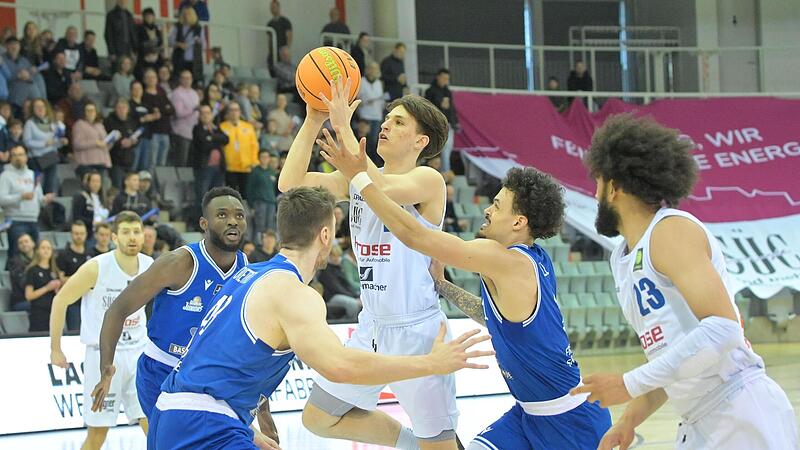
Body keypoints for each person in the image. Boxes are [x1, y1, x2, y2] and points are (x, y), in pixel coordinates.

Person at [321, 117, 615, 448]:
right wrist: (443, 286)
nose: (488, 210)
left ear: (518, 221)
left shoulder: (505, 260)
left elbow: (413, 235)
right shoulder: (535, 259)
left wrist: (359, 176)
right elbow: (490, 315)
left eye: (498, 205)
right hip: (526, 415)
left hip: (571, 420)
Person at [146, 186, 492, 449]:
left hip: (175, 415)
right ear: (325, 235)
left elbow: (212, 361)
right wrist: (432, 363)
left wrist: (246, 429)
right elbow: (340, 366)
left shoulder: (247, 275)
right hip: (205, 425)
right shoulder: (297, 295)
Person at [572, 114, 798, 449]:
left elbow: (724, 329)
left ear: (615, 186)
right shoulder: (621, 258)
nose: (595, 193)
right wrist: (628, 420)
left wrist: (628, 383)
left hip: (739, 408)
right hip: (700, 417)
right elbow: (678, 361)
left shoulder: (670, 231)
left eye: (598, 182)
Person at [281, 78, 461, 449]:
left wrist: (344, 127)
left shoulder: (428, 180)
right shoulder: (356, 179)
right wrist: (315, 119)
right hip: (371, 328)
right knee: (319, 417)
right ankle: (410, 446)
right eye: (387, 118)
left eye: (398, 123)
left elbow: (380, 189)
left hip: (418, 332)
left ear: (420, 141)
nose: (385, 125)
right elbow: (290, 183)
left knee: (440, 444)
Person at [92, 187, 250, 422]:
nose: (232, 221)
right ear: (204, 223)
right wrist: (106, 367)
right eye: (222, 215)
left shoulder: (244, 267)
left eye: (239, 215)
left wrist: (261, 405)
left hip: (211, 373)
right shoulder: (179, 263)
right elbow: (116, 311)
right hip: (162, 372)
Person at [49, 212, 151, 450]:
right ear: (115, 237)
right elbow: (60, 300)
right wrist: (55, 349)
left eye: (136, 231)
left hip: (139, 355)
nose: (132, 237)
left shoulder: (150, 266)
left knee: (153, 425)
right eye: (126, 232)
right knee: (97, 435)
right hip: (103, 358)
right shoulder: (96, 268)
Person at [0, 146, 54, 262]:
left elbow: (39, 199)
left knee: (35, 257)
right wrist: (20, 197)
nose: (18, 158)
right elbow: (1, 199)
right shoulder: (5, 176)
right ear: (11, 158)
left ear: (26, 157)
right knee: (16, 256)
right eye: (15, 155)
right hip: (15, 220)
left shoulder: (33, 175)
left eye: (21, 154)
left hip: (33, 220)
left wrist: (45, 199)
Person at [57, 220, 94, 331]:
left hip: (90, 300)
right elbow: (62, 279)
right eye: (76, 233)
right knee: (75, 331)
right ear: (71, 234)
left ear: (86, 234)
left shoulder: (90, 253)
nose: (79, 236)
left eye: (81, 233)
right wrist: (84, 280)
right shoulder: (64, 254)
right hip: (73, 301)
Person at [191, 104, 228, 213]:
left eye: (208, 113)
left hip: (219, 168)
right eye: (203, 113)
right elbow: (203, 144)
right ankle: (200, 222)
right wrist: (216, 140)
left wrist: (211, 137)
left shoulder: (216, 127)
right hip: (204, 167)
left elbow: (226, 139)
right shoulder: (197, 129)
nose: (205, 115)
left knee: (216, 197)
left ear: (212, 115)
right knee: (203, 196)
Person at [425, 69, 459, 173]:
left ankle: (446, 170)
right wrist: (441, 104)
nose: (445, 81)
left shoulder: (447, 92)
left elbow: (452, 108)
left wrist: (455, 122)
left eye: (447, 79)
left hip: (447, 124)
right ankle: (439, 171)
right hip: (436, 125)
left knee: (447, 149)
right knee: (439, 148)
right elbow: (428, 108)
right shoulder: (430, 91)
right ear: (438, 77)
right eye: (443, 78)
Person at [220, 102, 258, 196]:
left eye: (236, 110)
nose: (234, 112)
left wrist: (254, 161)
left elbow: (254, 145)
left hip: (246, 166)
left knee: (245, 194)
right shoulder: (222, 127)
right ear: (227, 112)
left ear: (240, 112)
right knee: (231, 194)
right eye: (231, 110)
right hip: (230, 166)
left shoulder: (248, 127)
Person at [24, 238, 61, 332]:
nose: (46, 250)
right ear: (37, 251)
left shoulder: (55, 270)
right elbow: (29, 295)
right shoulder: (32, 270)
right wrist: (47, 288)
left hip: (53, 311)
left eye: (49, 248)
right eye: (43, 248)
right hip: (38, 312)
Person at [317, 244, 361, 321]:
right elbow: (337, 288)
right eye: (335, 256)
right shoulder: (326, 271)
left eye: (339, 256)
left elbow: (346, 285)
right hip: (332, 296)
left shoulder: (338, 268)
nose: (337, 258)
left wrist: (355, 295)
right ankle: (350, 321)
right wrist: (353, 297)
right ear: (329, 256)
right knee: (353, 304)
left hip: (342, 294)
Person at [104, 97, 141, 188]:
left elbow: (137, 137)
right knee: (117, 186)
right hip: (115, 160)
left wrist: (133, 142)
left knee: (129, 187)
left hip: (129, 159)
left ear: (128, 109)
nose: (122, 110)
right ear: (115, 109)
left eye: (124, 108)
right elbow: (106, 139)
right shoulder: (109, 121)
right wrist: (120, 142)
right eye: (119, 108)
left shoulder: (131, 121)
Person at [142, 68, 174, 168]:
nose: (151, 79)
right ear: (144, 80)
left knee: (162, 163)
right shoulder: (144, 95)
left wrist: (159, 111)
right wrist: (163, 109)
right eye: (149, 77)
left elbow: (172, 110)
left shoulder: (162, 92)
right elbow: (150, 110)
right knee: (152, 163)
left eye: (153, 77)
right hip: (153, 133)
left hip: (165, 132)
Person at [71, 102, 112, 179]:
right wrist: (95, 143)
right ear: (84, 112)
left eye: (93, 110)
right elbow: (77, 144)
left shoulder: (100, 125)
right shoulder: (79, 125)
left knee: (101, 189)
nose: (91, 113)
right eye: (88, 110)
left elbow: (106, 144)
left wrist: (111, 140)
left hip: (102, 161)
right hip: (86, 163)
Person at [3, 37, 46, 109]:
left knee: (38, 77)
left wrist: (29, 75)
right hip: (10, 89)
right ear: (6, 46)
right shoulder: (2, 60)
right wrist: (18, 76)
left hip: (25, 90)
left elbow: (31, 77)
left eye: (16, 44)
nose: (14, 47)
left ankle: (41, 104)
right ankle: (43, 105)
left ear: (19, 47)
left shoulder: (24, 60)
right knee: (30, 87)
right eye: (11, 44)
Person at [246, 150, 278, 241]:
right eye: (263, 157)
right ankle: (258, 245)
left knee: (270, 227)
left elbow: (274, 188)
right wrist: (251, 205)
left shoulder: (272, 172)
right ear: (259, 158)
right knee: (260, 226)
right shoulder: (255, 172)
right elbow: (249, 189)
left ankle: (268, 245)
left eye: (267, 157)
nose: (265, 159)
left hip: (271, 202)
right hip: (260, 202)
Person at [169, 70, 199, 167]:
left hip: (193, 131)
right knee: (181, 162)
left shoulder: (194, 93)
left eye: (189, 78)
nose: (187, 80)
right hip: (181, 132)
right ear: (180, 80)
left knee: (190, 162)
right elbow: (178, 113)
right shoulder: (176, 93)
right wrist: (193, 109)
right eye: (184, 78)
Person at [357, 61, 384, 165]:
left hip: (377, 116)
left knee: (375, 142)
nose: (373, 71)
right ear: (367, 69)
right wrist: (367, 101)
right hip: (365, 115)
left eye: (375, 69)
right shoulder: (362, 82)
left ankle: (374, 164)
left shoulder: (379, 83)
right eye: (371, 68)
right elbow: (357, 99)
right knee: (365, 142)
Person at [169, 7, 205, 83]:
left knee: (193, 81)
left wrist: (199, 42)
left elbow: (204, 45)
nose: (186, 16)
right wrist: (178, 44)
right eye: (184, 14)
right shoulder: (177, 26)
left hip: (194, 61)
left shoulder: (198, 28)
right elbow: (170, 41)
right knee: (179, 80)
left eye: (189, 14)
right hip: (180, 60)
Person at [72, 171, 109, 241]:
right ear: (88, 183)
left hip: (103, 233)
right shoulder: (81, 197)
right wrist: (92, 222)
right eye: (93, 181)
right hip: (88, 233)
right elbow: (77, 217)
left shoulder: (102, 198)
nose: (96, 184)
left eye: (98, 181)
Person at [8, 233, 36, 311]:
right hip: (21, 301)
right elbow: (23, 284)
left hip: (36, 298)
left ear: (33, 243)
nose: (24, 244)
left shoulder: (39, 260)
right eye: (21, 242)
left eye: (26, 241)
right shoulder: (14, 262)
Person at [266, 0, 292, 68]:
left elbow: (289, 36)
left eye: (274, 7)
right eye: (271, 7)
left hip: (282, 52)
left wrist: (286, 50)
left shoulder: (285, 22)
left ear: (278, 7)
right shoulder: (269, 24)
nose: (272, 9)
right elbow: (269, 39)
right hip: (273, 52)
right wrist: (270, 51)